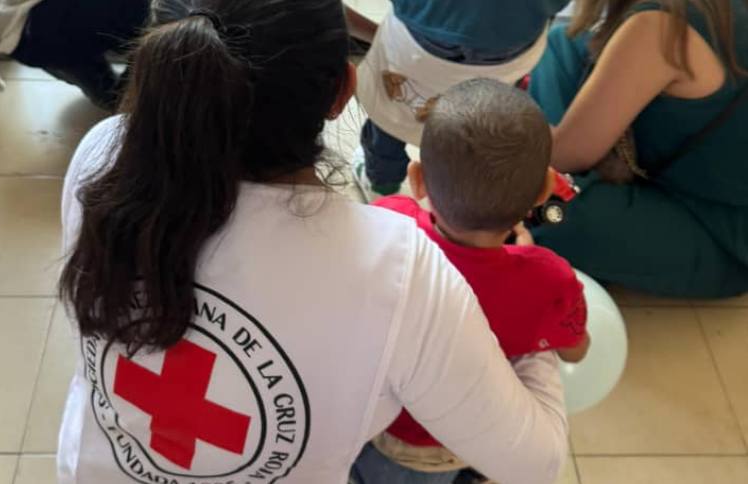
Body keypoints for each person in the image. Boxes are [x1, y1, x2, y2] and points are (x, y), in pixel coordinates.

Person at [57, 1, 569, 483]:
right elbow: (536, 462)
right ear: (344, 91)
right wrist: (534, 338)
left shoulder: (101, 156)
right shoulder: (399, 272)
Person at [352, 79, 590, 484]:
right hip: (448, 443)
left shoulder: (389, 220)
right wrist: (528, 261)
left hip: (370, 412)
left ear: (418, 178)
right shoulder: (549, 280)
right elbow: (576, 352)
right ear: (543, 192)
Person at [529, 0, 748, 298]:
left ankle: (575, 192)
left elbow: (565, 155)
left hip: (721, 238)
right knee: (563, 44)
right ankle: (582, 185)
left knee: (537, 212)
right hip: (683, 172)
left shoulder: (657, 29)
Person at [346, 0, 570, 199]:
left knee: (392, 109)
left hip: (427, 24)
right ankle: (456, 194)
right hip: (513, 35)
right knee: (478, 120)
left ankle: (382, 184)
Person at [0, 0, 151, 110]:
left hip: (33, 24)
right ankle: (109, 94)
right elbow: (143, 55)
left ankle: (100, 81)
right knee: (114, 96)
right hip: (38, 41)